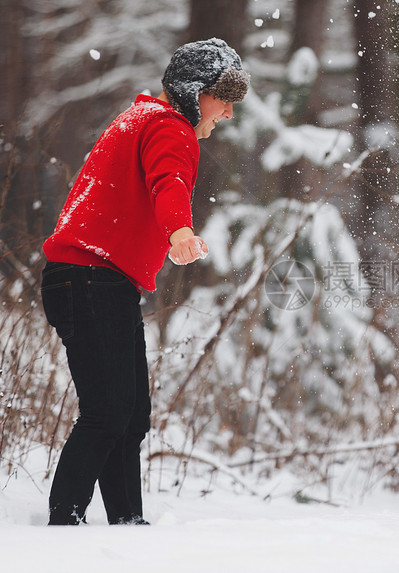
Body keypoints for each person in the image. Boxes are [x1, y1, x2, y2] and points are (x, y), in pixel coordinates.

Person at [39, 38, 249, 525]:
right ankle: (63, 521)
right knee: (109, 411)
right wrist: (178, 230)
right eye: (225, 99)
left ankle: (127, 523)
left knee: (128, 417)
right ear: (195, 93)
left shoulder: (140, 118)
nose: (229, 114)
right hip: (90, 279)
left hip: (92, 281)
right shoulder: (170, 128)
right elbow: (168, 181)